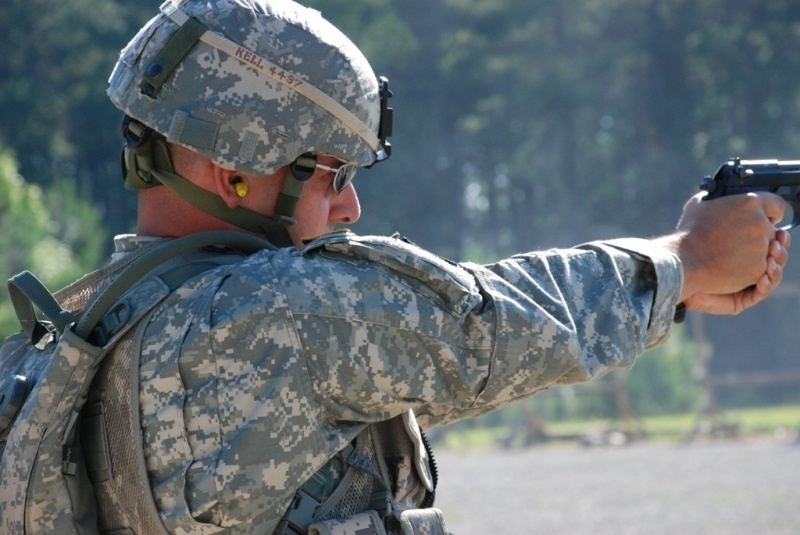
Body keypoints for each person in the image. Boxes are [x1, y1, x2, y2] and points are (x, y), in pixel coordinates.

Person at [89, 0, 789, 534]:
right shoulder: (278, 315)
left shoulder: (72, 347)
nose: (351, 206)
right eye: (332, 175)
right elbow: (494, 325)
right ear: (236, 173)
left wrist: (680, 285)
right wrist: (688, 257)